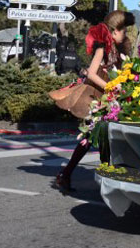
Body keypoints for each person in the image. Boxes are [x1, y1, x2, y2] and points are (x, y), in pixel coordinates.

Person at [54, 10, 134, 193]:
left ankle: (79, 175)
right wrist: (111, 87)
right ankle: (70, 175)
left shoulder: (118, 50)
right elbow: (91, 73)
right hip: (98, 97)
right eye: (124, 30)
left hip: (109, 97)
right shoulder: (102, 47)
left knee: (103, 136)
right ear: (114, 31)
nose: (126, 34)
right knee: (92, 137)